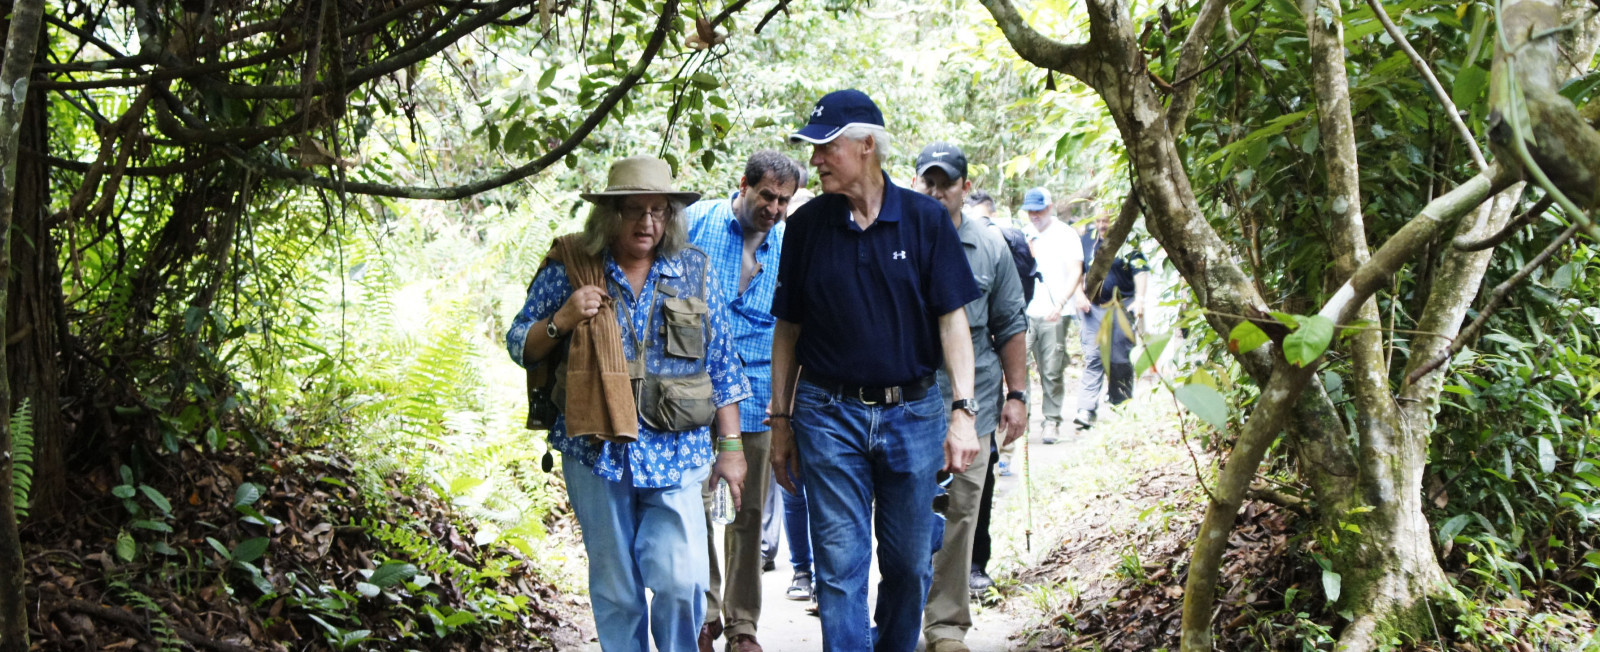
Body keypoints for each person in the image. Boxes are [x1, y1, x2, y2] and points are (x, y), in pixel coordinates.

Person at [506, 156, 752, 652]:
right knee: (617, 591)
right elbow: (519, 342)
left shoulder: (694, 271)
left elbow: (723, 366)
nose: (647, 223)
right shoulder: (572, 269)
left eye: (658, 211)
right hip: (597, 455)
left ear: (671, 216)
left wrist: (731, 448)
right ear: (608, 216)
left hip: (678, 455)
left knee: (683, 583)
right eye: (634, 211)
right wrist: (563, 318)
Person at [769, 89, 981, 652]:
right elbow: (786, 330)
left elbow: (953, 323)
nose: (814, 161)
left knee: (909, 566)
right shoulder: (807, 225)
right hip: (826, 413)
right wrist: (781, 422)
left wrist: (963, 411)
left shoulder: (925, 220)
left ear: (866, 146)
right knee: (838, 570)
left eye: (825, 148)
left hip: (912, 414)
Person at [911, 144, 1028, 652]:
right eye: (928, 182)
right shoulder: (899, 234)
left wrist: (1017, 393)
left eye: (946, 182)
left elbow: (1009, 324)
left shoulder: (990, 245)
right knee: (905, 510)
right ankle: (900, 612)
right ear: (916, 184)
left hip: (973, 398)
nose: (937, 192)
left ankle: (945, 626)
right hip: (909, 400)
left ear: (964, 186)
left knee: (960, 510)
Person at [685, 150, 802, 652]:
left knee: (746, 514)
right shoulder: (695, 223)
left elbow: (792, 326)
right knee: (692, 509)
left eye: (783, 201)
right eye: (767, 196)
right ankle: (703, 616)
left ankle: (743, 625)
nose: (773, 209)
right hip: (688, 390)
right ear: (744, 186)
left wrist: (785, 411)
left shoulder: (788, 245)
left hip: (755, 394)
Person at [1073, 207, 1150, 429]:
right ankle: (1086, 409)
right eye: (1099, 220)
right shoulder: (1087, 241)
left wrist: (1140, 299)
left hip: (1120, 306)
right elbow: (1078, 271)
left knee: (1119, 358)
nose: (1102, 225)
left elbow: (1141, 271)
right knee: (1093, 356)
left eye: (1107, 220)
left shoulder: (1127, 244)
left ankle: (1121, 404)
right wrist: (1079, 295)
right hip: (1092, 308)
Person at [1020, 187, 1085, 445]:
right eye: (1030, 210)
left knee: (1052, 369)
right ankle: (1022, 419)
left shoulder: (1066, 235)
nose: (1034, 215)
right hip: (1025, 312)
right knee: (1017, 366)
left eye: (1038, 209)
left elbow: (1075, 271)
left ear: (1049, 207)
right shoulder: (1023, 234)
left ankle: (1052, 420)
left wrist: (1061, 302)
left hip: (1054, 312)